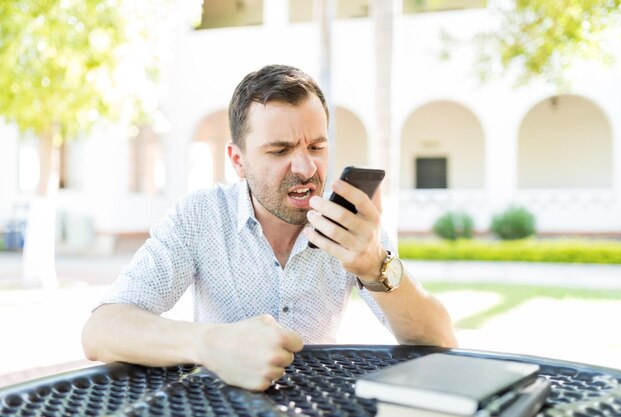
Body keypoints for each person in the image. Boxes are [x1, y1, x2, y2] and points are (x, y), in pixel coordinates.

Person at [82, 64, 457, 391]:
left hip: (318, 404)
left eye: (317, 147)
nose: (306, 168)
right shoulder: (200, 217)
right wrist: (213, 344)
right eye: (279, 151)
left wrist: (376, 267)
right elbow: (101, 331)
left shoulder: (353, 224)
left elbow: (441, 343)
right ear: (237, 160)